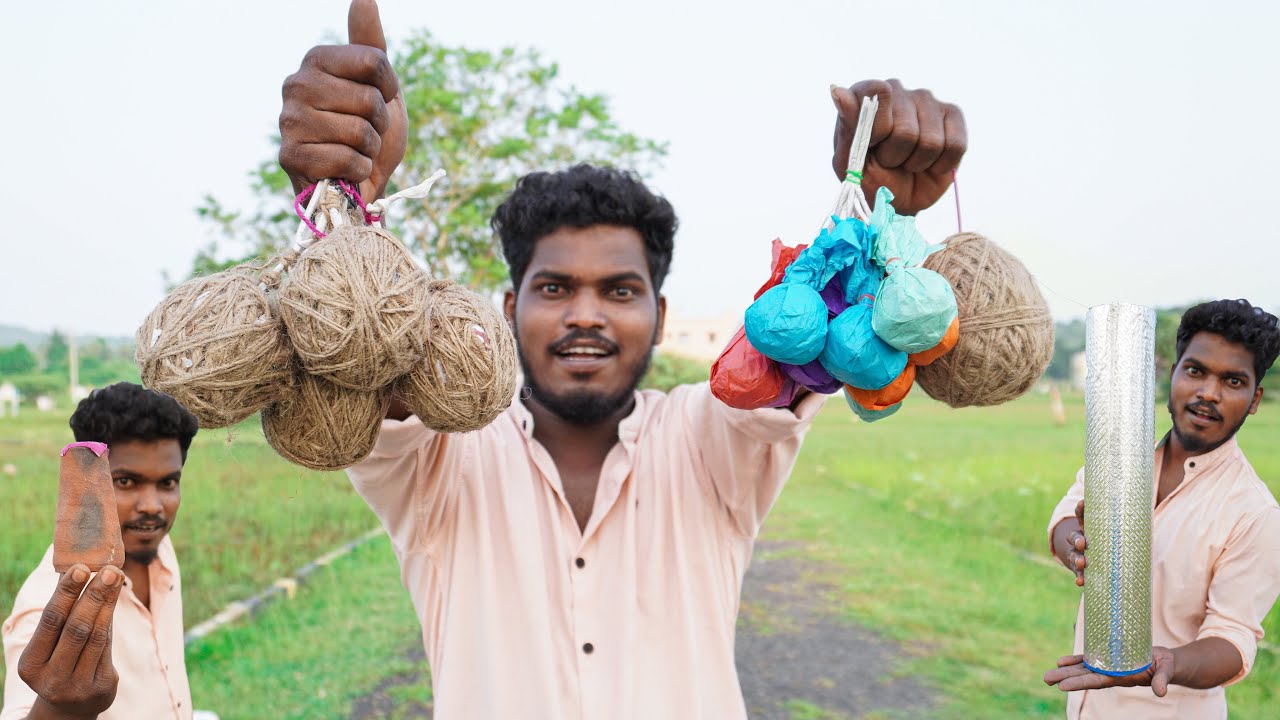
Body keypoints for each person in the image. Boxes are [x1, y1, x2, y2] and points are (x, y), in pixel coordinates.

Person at [279, 2, 966, 717]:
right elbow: (369, 367)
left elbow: (792, 354)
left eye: (619, 289)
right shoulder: (440, 462)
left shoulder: (709, 440)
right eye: (554, 288)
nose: (585, 313)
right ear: (508, 308)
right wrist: (344, 199)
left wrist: (873, 208)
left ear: (660, 317)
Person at [1043, 299, 1280, 718]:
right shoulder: (1115, 461)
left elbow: (1233, 638)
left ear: (1255, 397)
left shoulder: (1255, 513)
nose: (1209, 392)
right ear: (1173, 374)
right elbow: (1064, 521)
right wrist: (1076, 545)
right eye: (1196, 371)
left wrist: (1165, 662)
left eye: (1233, 381)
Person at [2, 383, 199, 720]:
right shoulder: (43, 607)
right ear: (87, 485)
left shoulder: (158, 549)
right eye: (125, 482)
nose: (153, 507)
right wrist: (58, 710)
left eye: (167, 482)